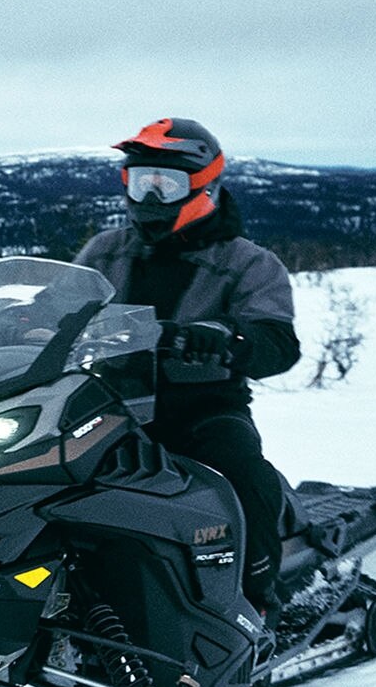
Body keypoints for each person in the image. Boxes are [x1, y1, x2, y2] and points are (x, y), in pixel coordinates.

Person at [73, 117, 301, 617]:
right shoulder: (104, 250)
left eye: (166, 184)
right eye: (141, 182)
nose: (151, 198)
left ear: (206, 189)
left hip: (202, 408)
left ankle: (257, 598)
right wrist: (21, 324)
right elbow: (66, 308)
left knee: (242, 476)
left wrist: (227, 340)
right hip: (107, 404)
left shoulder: (247, 263)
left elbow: (278, 342)